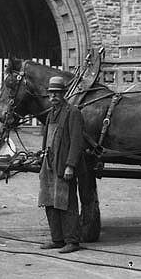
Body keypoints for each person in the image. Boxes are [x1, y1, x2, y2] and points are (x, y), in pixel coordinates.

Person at [38, 76, 85, 254]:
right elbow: (47, 139)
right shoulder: (51, 113)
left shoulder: (73, 113)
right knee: (50, 202)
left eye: (57, 93)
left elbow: (76, 142)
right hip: (49, 165)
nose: (54, 96)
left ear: (63, 94)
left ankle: (72, 241)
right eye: (51, 93)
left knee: (67, 203)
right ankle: (57, 239)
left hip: (63, 166)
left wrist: (70, 165)